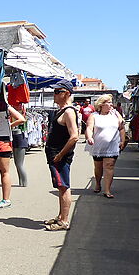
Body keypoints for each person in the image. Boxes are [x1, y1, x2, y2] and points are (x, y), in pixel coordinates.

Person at [44, 79, 78, 230]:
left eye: (58, 92)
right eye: (55, 92)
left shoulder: (69, 112)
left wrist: (61, 154)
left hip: (60, 157)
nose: (55, 95)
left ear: (67, 94)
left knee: (64, 186)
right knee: (60, 186)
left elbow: (74, 136)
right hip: (54, 155)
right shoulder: (61, 110)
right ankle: (60, 216)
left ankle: (64, 221)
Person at [86, 93, 126, 198]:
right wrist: (89, 137)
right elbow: (89, 128)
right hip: (98, 146)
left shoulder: (116, 114)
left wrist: (123, 140)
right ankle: (98, 183)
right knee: (98, 167)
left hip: (112, 145)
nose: (111, 105)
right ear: (101, 104)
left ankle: (107, 190)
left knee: (109, 166)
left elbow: (121, 128)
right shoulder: (94, 116)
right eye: (108, 102)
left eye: (111, 102)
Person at [0, 102, 25, 208]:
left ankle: (6, 199)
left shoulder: (6, 106)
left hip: (3, 141)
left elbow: (21, 118)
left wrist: (9, 126)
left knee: (4, 171)